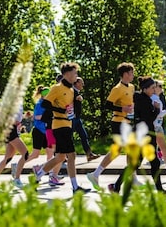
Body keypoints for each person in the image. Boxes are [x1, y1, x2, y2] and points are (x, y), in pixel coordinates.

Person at [33, 62, 90, 193]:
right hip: (59, 125)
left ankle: (37, 177)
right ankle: (75, 187)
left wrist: (78, 102)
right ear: (67, 74)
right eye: (75, 73)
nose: (76, 76)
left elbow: (74, 112)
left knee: (59, 157)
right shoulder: (56, 88)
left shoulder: (71, 90)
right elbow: (46, 104)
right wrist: (60, 110)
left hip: (67, 124)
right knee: (72, 155)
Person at [110, 77, 166, 194]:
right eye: (152, 88)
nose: (154, 90)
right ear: (145, 89)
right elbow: (149, 118)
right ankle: (160, 191)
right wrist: (156, 109)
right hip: (144, 136)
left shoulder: (144, 99)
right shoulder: (144, 101)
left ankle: (116, 186)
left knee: (136, 164)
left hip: (143, 135)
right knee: (153, 164)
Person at [87, 62, 136, 190]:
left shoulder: (131, 87)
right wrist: (122, 108)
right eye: (131, 73)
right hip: (118, 122)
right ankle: (96, 174)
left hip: (127, 122)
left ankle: (132, 178)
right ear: (125, 74)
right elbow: (108, 105)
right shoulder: (117, 88)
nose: (133, 75)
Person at [72, 77, 99, 162]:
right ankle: (63, 155)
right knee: (68, 137)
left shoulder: (77, 93)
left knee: (84, 135)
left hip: (77, 118)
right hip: (71, 118)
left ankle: (89, 154)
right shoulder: (72, 92)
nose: (83, 84)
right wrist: (77, 98)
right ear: (76, 83)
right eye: (81, 83)